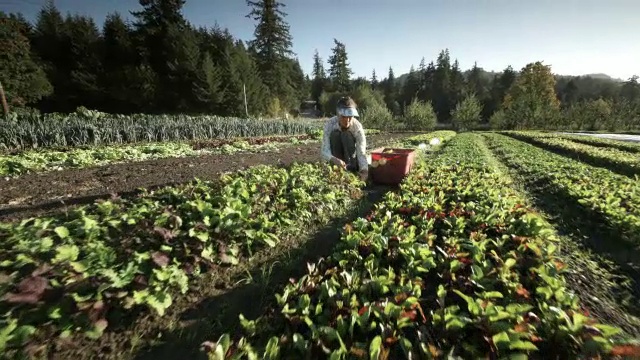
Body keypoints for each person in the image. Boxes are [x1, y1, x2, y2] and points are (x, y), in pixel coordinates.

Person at [320, 96, 369, 181]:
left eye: (350, 117)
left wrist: (364, 171)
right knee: (335, 134)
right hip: (335, 159)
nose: (347, 121)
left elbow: (361, 151)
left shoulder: (357, 127)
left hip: (351, 158)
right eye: (343, 117)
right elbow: (324, 150)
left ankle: (351, 168)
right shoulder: (330, 124)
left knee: (346, 135)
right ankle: (337, 169)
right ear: (338, 114)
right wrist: (333, 159)